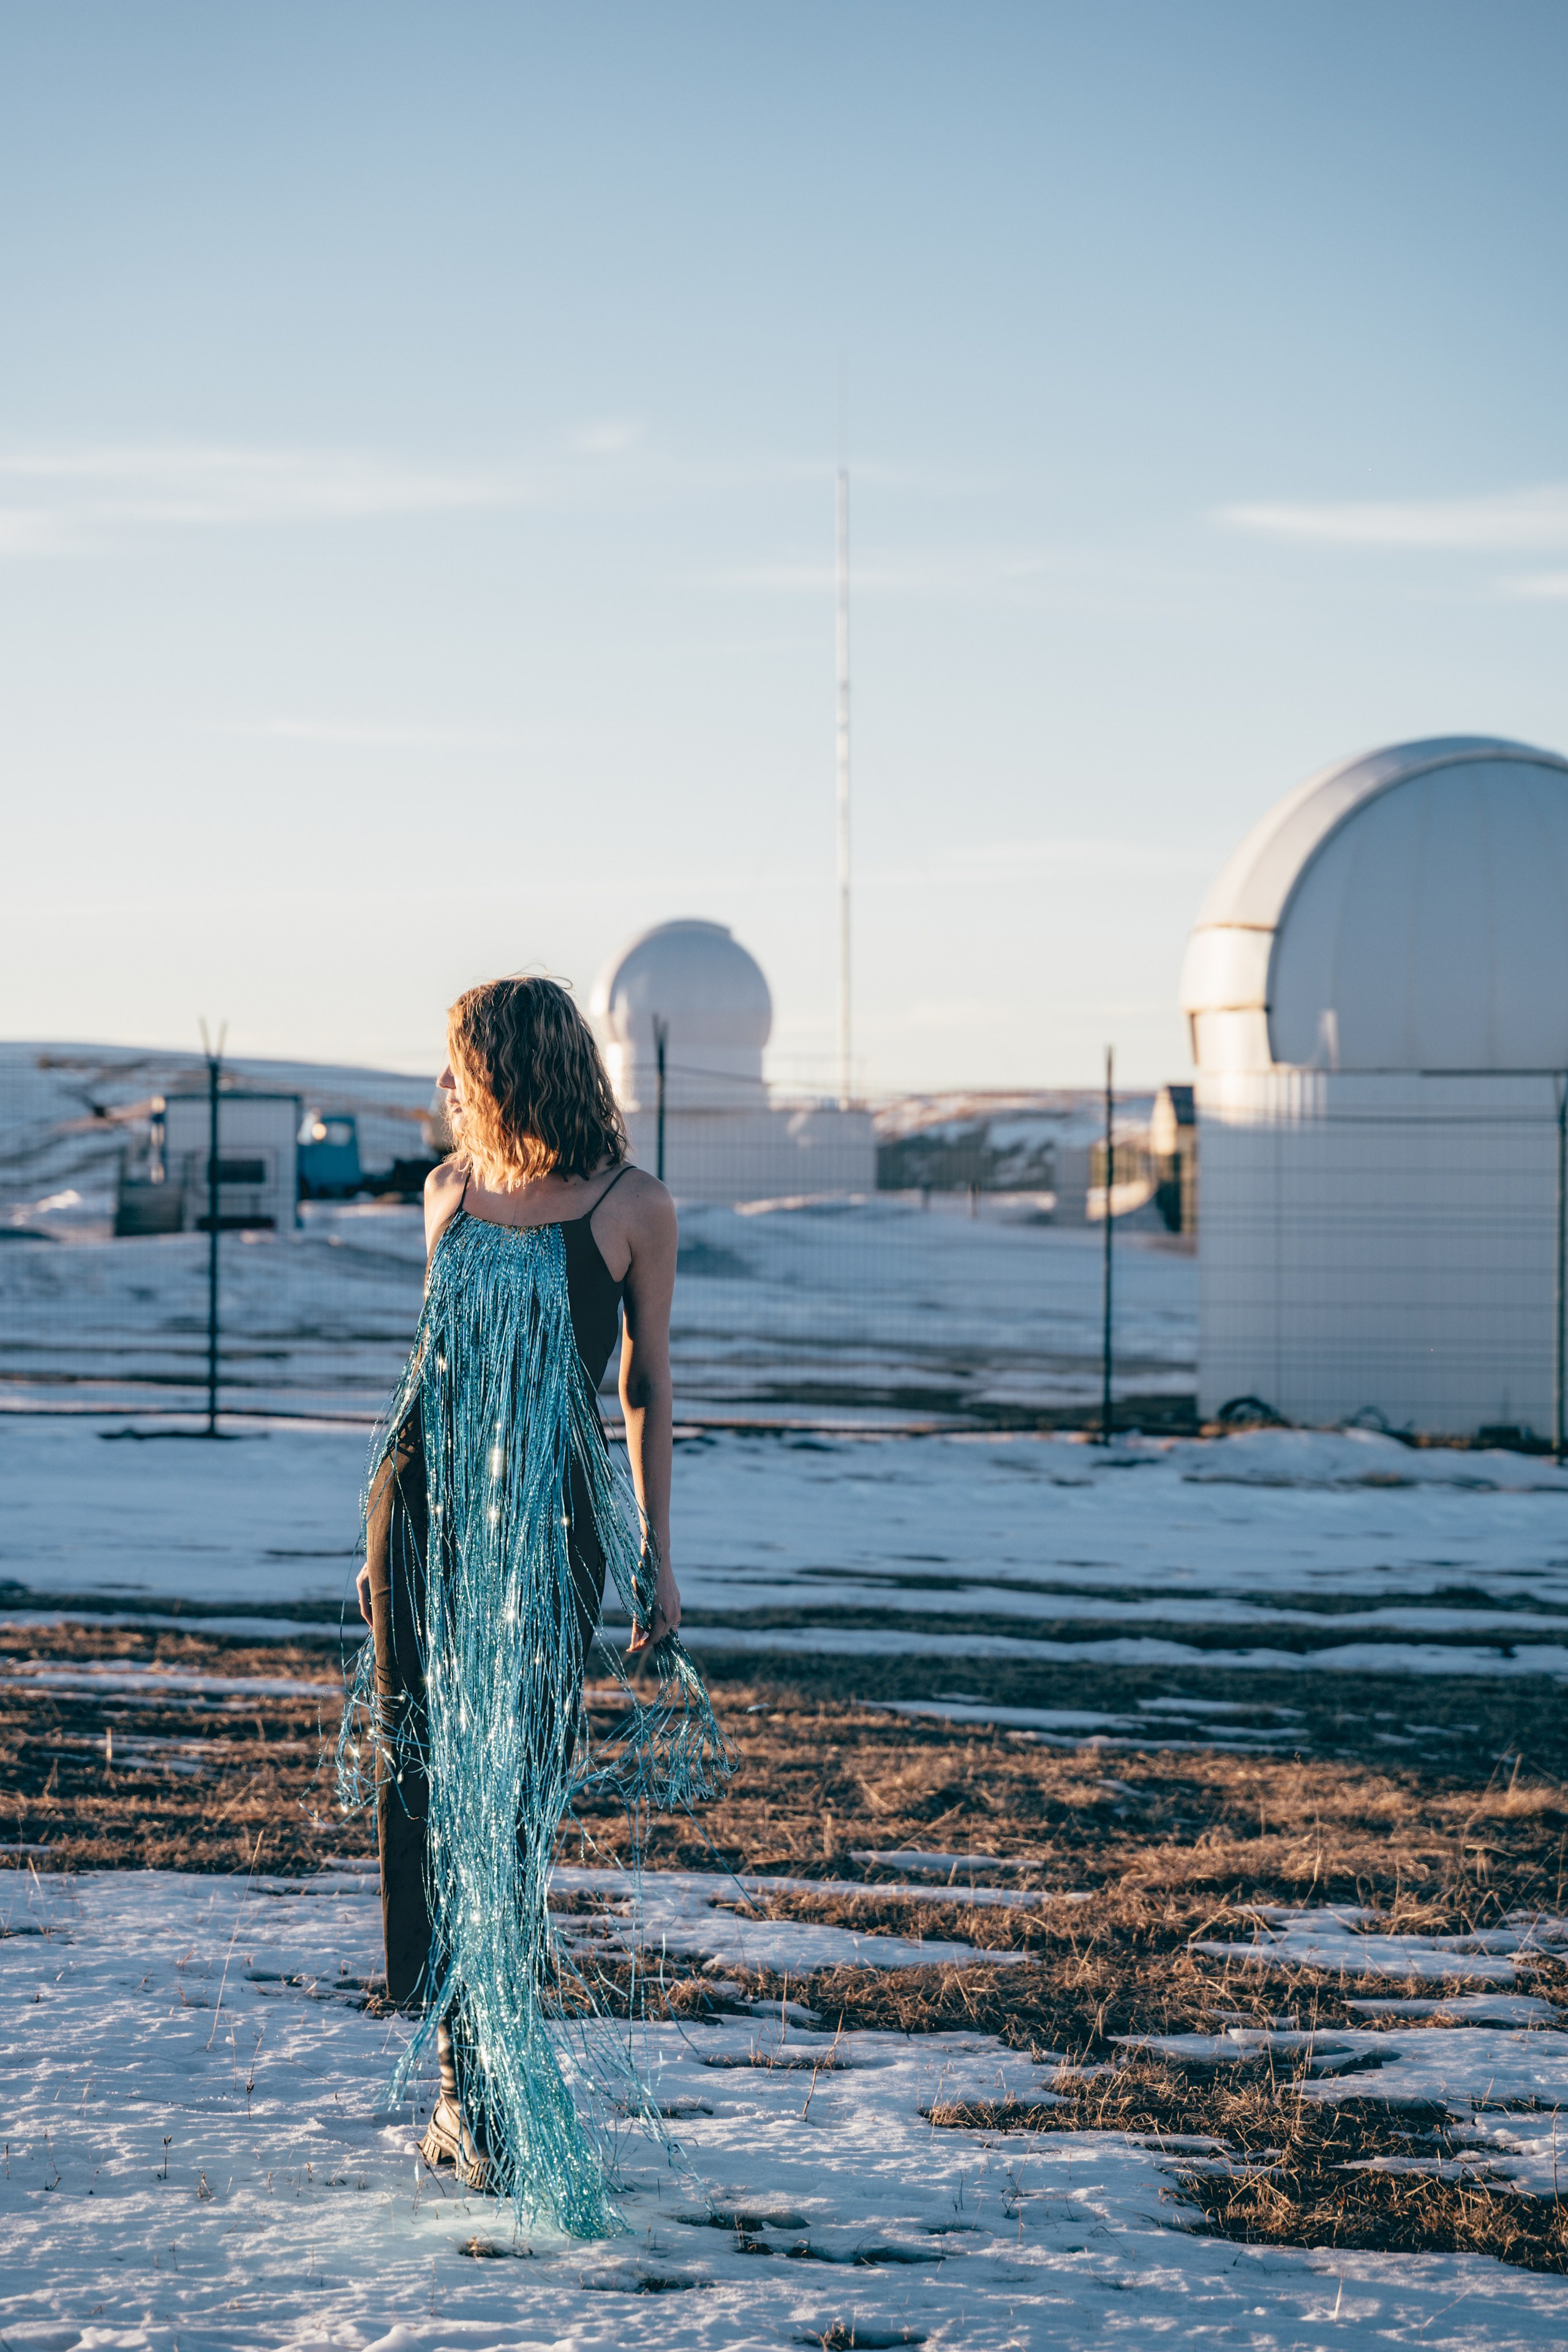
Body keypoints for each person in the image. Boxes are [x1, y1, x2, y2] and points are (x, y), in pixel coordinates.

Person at [342, 974, 732, 2236]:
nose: (445, 1088)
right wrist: (376, 1542)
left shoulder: (634, 1208)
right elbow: (426, 1371)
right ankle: (461, 2088)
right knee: (426, 1799)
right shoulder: (446, 1192)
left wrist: (658, 1558)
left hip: (547, 1539)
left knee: (506, 1805)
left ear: (512, 1067)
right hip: (428, 1527)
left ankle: (498, 2069)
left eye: (461, 1064)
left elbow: (647, 1394)